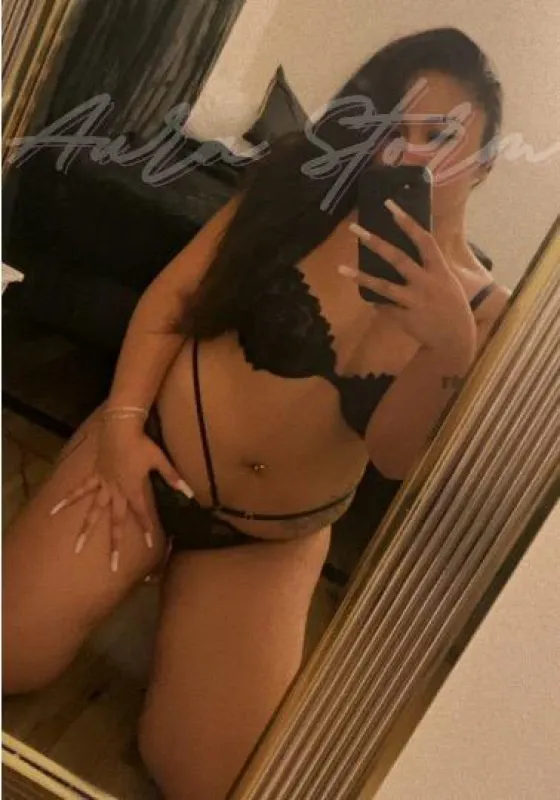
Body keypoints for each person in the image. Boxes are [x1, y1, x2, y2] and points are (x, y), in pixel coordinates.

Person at [3, 26, 511, 800]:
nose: (409, 156)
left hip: (266, 540)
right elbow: (170, 302)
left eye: (440, 137)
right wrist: (121, 432)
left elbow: (394, 456)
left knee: (206, 779)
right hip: (148, 453)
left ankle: (187, 619)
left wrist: (447, 348)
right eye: (390, 130)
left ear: (487, 161)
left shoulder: (485, 315)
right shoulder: (298, 193)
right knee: (10, 653)